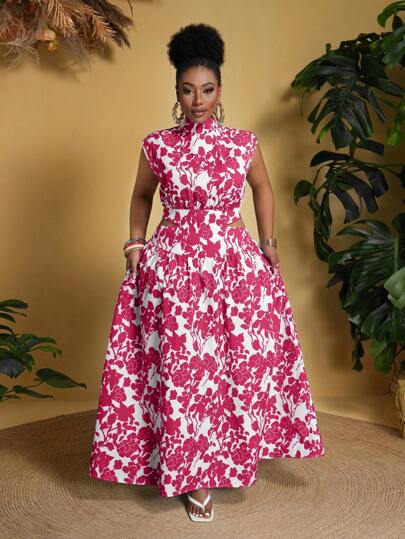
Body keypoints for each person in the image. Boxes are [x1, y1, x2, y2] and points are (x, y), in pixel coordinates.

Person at [89, 22, 325, 522]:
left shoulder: (242, 143)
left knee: (233, 368)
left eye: (207, 89)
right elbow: (141, 196)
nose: (198, 100)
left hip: (232, 266)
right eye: (187, 90)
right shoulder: (157, 145)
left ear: (220, 90)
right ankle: (192, 477)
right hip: (173, 266)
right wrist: (135, 243)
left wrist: (268, 243)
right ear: (176, 92)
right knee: (184, 371)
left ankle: (233, 453)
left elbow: (263, 188)